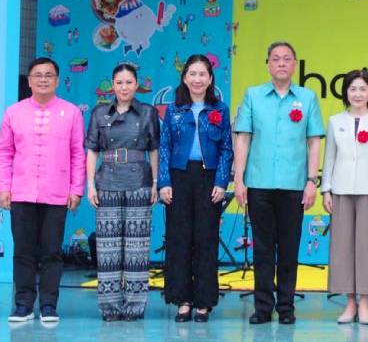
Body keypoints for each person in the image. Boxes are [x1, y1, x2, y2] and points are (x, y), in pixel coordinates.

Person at [234, 41, 324, 325]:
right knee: (262, 249)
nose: (281, 63)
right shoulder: (253, 95)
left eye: (287, 59)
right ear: (268, 64)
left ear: (295, 64)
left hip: (294, 185)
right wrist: (239, 179)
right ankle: (262, 308)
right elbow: (243, 138)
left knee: (288, 249)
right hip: (259, 183)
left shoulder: (307, 98)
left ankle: (286, 307)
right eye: (275, 59)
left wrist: (312, 181)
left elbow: (314, 141)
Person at [0, 58, 85, 325]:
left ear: (57, 80)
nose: (43, 79)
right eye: (38, 75)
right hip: (21, 192)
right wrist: (3, 188)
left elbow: (77, 153)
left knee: (51, 252)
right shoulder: (14, 112)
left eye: (48, 75)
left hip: (57, 193)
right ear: (29, 81)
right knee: (23, 251)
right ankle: (23, 304)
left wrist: (76, 189)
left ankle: (48, 304)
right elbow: (4, 152)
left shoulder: (71, 113)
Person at [158, 54, 233, 322]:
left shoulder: (220, 109)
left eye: (202, 74)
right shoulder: (174, 110)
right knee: (179, 240)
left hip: (208, 179)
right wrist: (164, 182)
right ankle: (183, 300)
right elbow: (164, 147)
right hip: (179, 177)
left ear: (210, 79)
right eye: (193, 74)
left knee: (206, 239)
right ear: (184, 78)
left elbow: (226, 148)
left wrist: (221, 182)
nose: (197, 79)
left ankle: (204, 302)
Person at [86, 63, 160, 321]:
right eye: (119, 82)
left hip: (139, 182)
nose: (124, 87)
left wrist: (154, 183)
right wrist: (90, 185)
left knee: (137, 249)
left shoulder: (148, 112)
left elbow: (154, 150)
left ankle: (134, 307)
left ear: (136, 85)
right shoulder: (99, 113)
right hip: (107, 182)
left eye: (129, 82)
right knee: (108, 249)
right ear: (112, 85)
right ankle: (110, 307)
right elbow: (92, 150)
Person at [321, 69, 368, 325]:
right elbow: (329, 157)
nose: (358, 94)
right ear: (345, 92)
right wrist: (326, 189)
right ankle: (349, 302)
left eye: (363, 89)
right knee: (342, 248)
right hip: (340, 190)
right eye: (353, 89)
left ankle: (365, 302)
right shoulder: (335, 121)